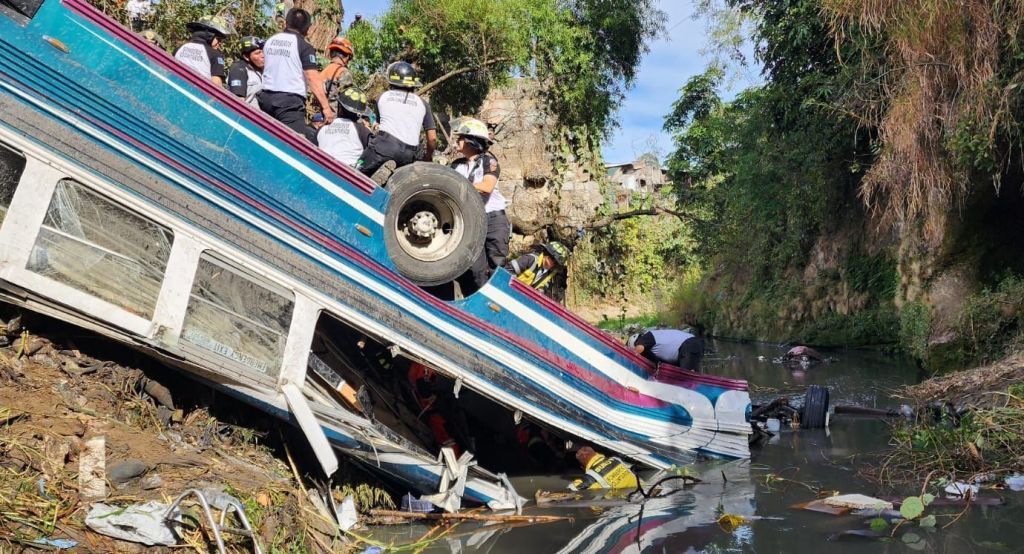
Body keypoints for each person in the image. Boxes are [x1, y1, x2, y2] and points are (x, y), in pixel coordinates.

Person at [258, 8, 334, 143]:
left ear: (286, 23)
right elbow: (312, 77)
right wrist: (326, 107)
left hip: (265, 99)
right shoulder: (304, 46)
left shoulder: (270, 41)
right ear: (308, 28)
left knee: (265, 139)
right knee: (293, 145)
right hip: (289, 105)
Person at [450, 118, 507, 294]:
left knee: (498, 266)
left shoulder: (489, 162)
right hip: (470, 221)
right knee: (474, 269)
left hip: (493, 220)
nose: (456, 141)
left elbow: (487, 187)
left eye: (460, 138)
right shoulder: (456, 165)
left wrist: (458, 184)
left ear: (471, 141)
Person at [356, 61, 436, 181]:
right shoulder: (423, 104)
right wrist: (428, 156)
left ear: (391, 82)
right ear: (413, 85)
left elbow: (379, 124)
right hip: (409, 154)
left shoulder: (382, 97)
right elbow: (432, 138)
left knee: (357, 175)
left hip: (384, 147)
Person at [408, 361, 468, 457]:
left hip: (432, 408)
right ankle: (453, 458)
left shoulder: (420, 366)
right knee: (447, 436)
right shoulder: (423, 367)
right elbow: (424, 390)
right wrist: (436, 399)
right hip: (433, 410)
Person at [318, 87, 373, 166]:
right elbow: (371, 155)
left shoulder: (322, 128)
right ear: (360, 113)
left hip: (320, 168)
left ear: (340, 107)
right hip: (348, 173)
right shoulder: (362, 131)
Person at [174, 15, 231, 86]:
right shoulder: (215, 55)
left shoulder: (179, 48)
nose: (220, 43)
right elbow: (217, 85)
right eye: (218, 39)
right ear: (210, 35)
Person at [627, 327, 705, 373]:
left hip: (689, 345)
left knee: (684, 377)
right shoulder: (655, 352)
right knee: (692, 377)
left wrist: (627, 360)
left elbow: (639, 348)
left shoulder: (647, 336)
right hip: (693, 345)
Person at [568, 446, 638, 491]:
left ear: (582, 466)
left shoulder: (591, 477)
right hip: (640, 492)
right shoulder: (616, 460)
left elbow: (572, 489)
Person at [227, 36, 265, 107]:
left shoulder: (261, 69)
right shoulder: (239, 69)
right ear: (246, 57)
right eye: (258, 53)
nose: (262, 55)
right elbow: (238, 102)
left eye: (263, 51)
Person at [320, 37, 355, 107]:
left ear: (331, 54)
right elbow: (348, 101)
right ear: (347, 57)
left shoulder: (323, 72)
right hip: (336, 115)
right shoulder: (343, 72)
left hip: (322, 114)